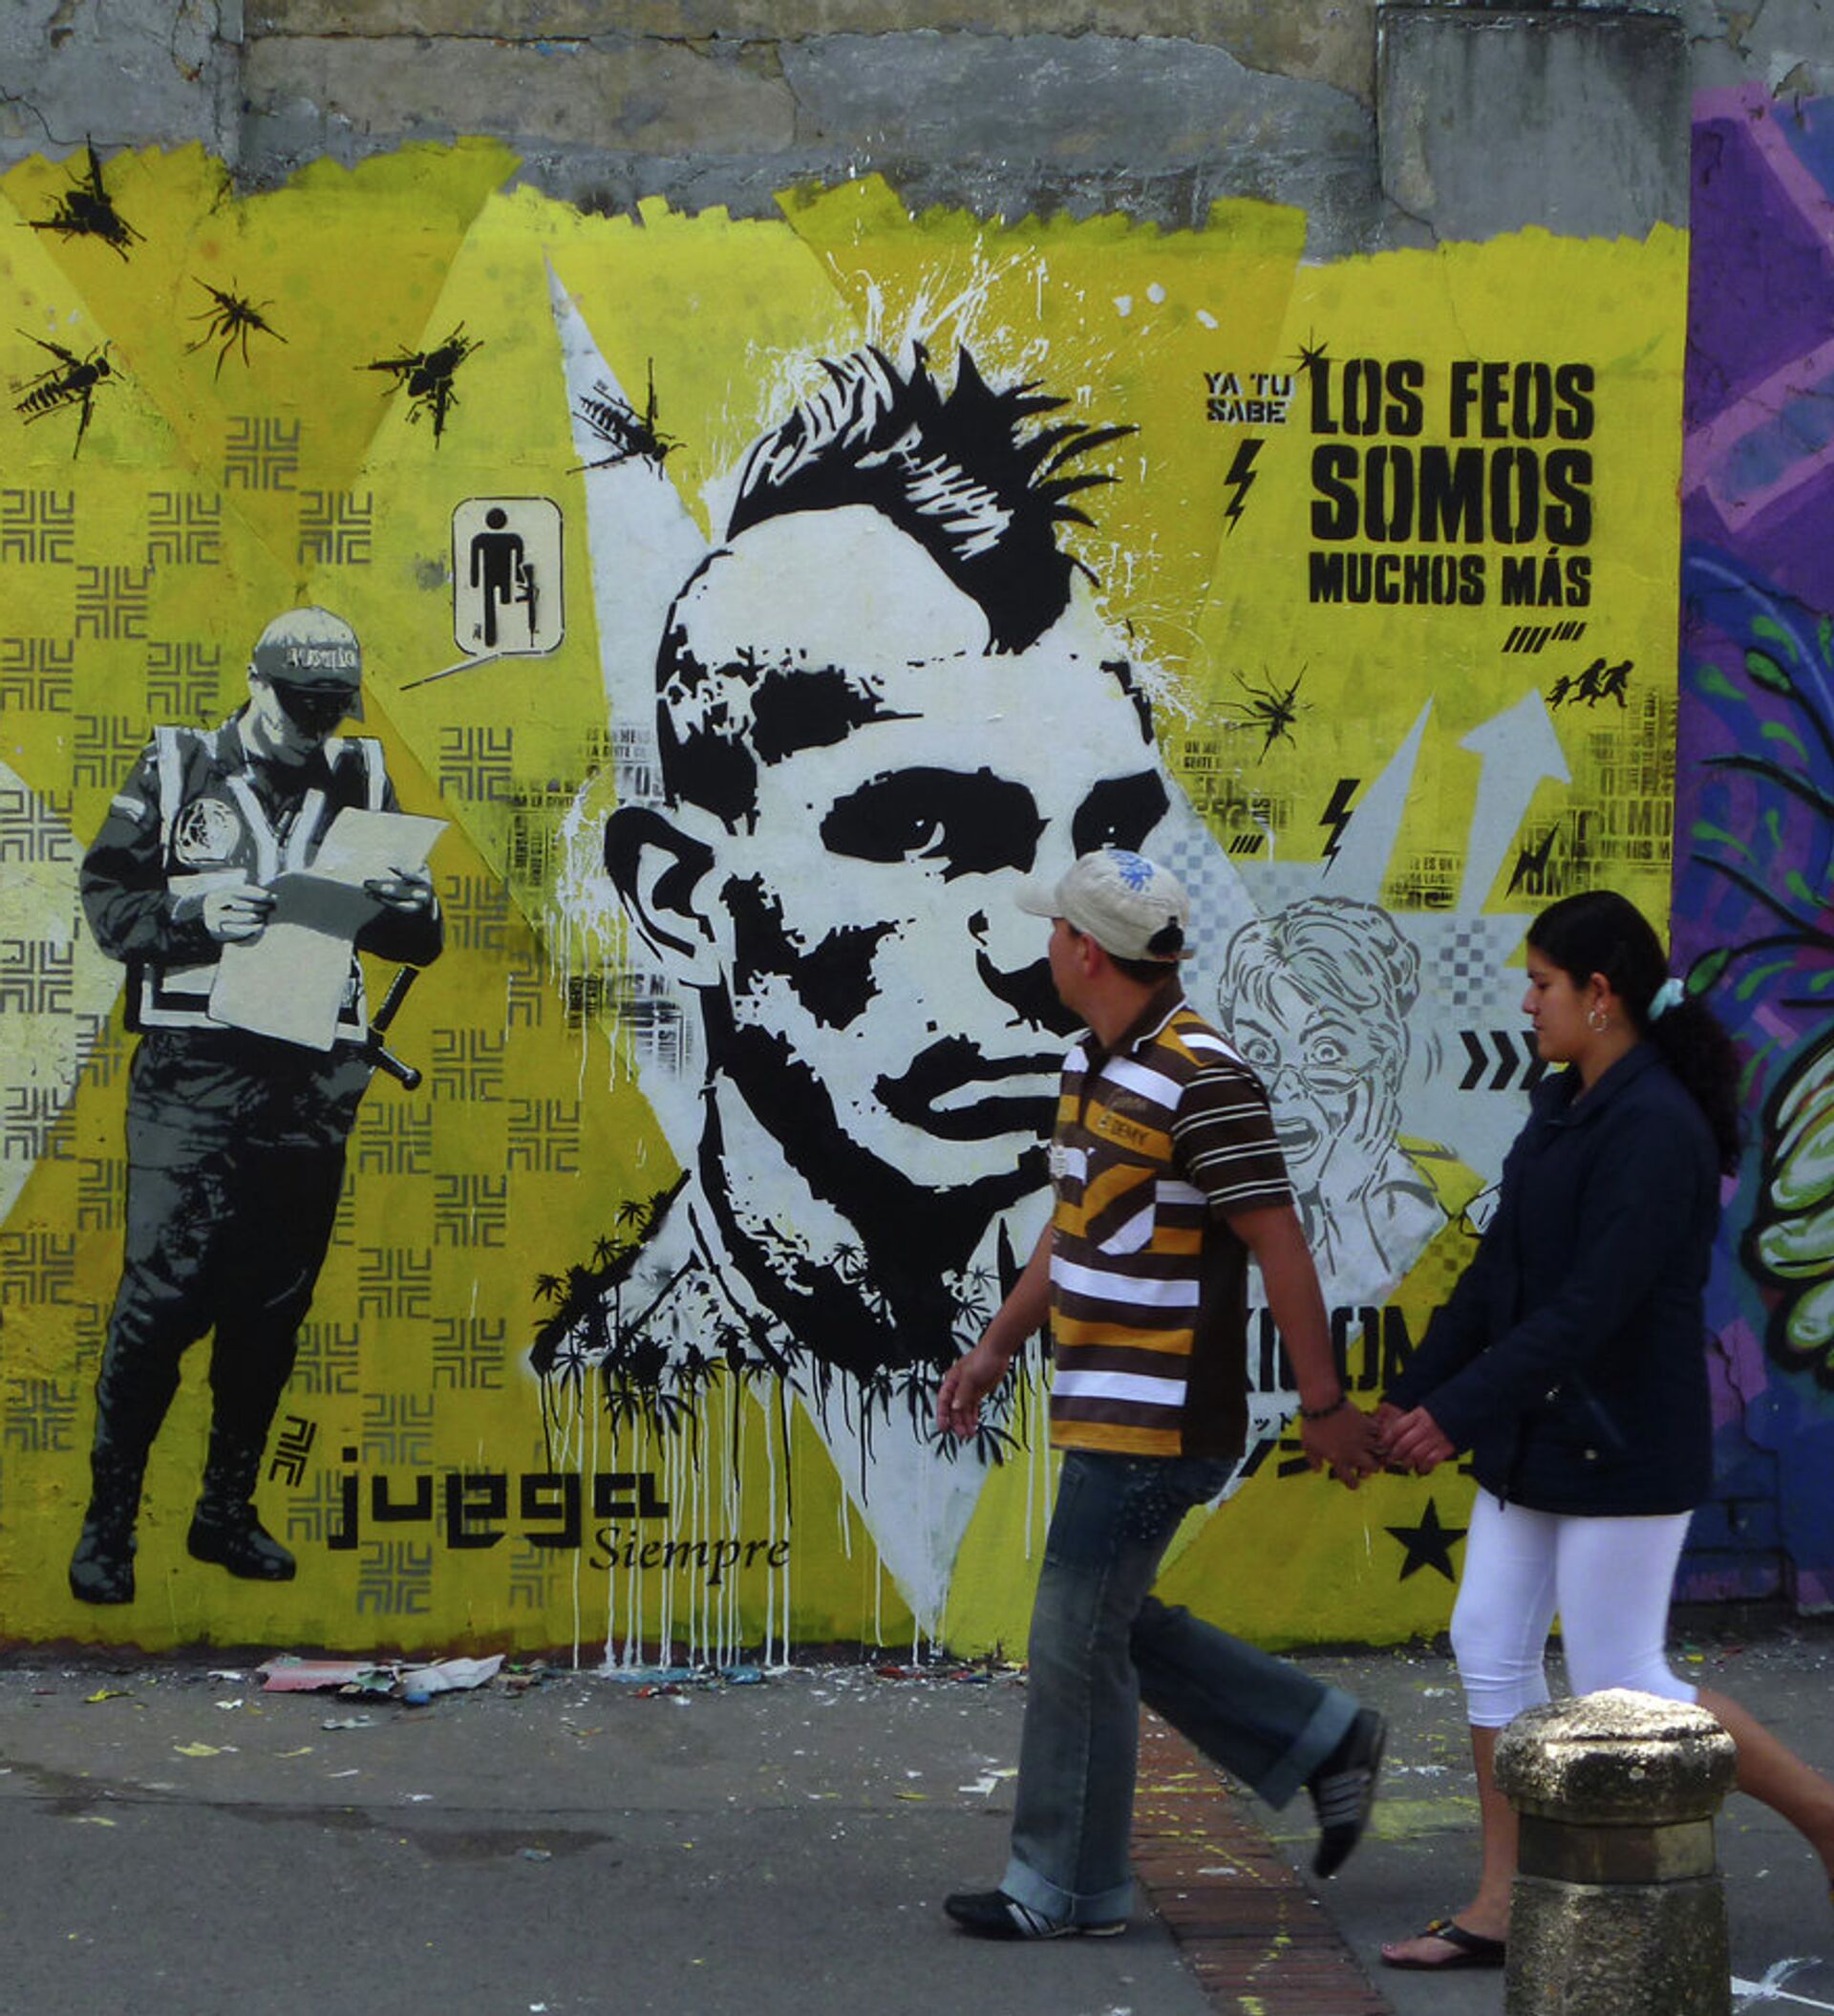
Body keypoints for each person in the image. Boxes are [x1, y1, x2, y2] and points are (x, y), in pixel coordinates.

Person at [532, 346, 1256, 1620]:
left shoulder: (1128, 1307)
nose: (1048, 947)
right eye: (924, 828)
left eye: (1103, 839)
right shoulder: (603, 1395)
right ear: (684, 900)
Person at [933, 846, 1387, 1941]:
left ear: (1088, 951)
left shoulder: (1202, 1076)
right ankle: (1323, 1736)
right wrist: (995, 1348)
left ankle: (1063, 1885)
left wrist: (1324, 1406)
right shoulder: (1092, 1066)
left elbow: (1279, 1241)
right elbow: (1073, 1226)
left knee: (1072, 1638)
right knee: (1103, 1623)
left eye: (1056, 930)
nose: (1047, 945)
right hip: (1103, 1401)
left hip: (1162, 1414)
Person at [1376, 889, 1834, 1971]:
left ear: (1600, 993)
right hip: (1535, 1440)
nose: (1525, 1003)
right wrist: (1415, 1396)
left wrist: (1455, 1413)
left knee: (1624, 1680)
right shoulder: (1564, 1103)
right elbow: (1498, 1273)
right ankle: (1504, 1904)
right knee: (1489, 1644)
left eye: (1540, 984)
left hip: (1624, 1444)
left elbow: (1593, 1309)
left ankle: (1824, 1814)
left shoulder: (1658, 1126)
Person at [70, 606, 443, 1604]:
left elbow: (414, 942)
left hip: (311, 1078)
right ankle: (110, 1526)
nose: (315, 725)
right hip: (194, 1074)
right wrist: (194, 913)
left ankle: (224, 1513)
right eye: (298, 704)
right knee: (159, 1303)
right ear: (254, 681)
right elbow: (109, 903)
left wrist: (417, 912)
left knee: (271, 1311)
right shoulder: (178, 765)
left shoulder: (363, 775)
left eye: (331, 707)